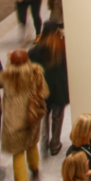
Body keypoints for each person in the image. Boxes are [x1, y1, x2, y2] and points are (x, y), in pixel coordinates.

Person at [0, 49, 49, 181]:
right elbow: (44, 92)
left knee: (18, 152)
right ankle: (34, 169)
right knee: (32, 144)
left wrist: (10, 60)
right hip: (31, 116)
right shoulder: (36, 73)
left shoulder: (6, 76)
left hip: (13, 119)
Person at [28, 22, 68, 156]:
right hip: (59, 89)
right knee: (57, 116)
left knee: (44, 118)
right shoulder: (61, 49)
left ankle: (44, 143)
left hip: (42, 90)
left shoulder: (34, 51)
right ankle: (55, 144)